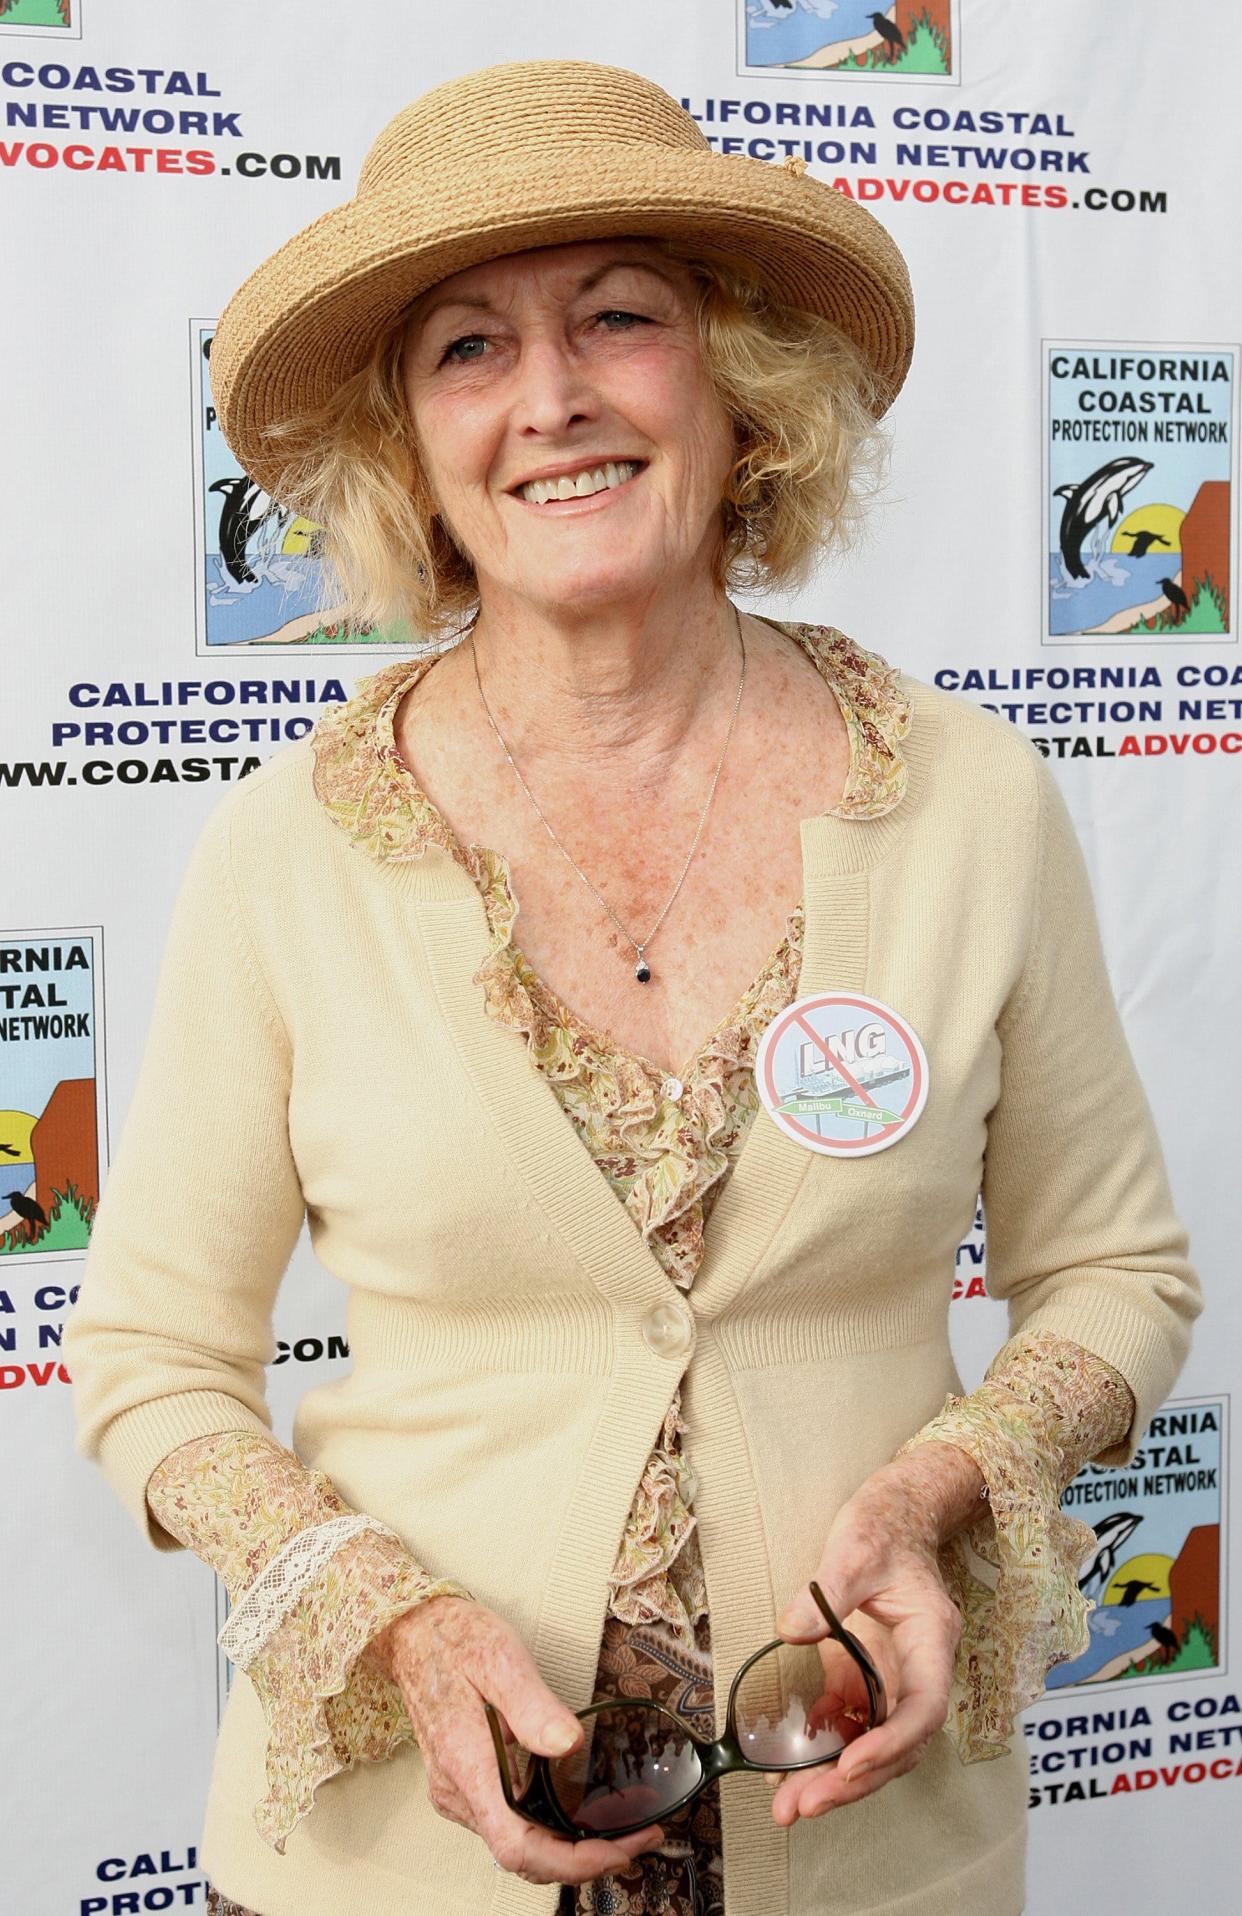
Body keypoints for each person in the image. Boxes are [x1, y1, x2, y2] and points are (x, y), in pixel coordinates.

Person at [63, 58, 1200, 1916]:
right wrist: (394, 1620)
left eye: (619, 320)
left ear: (738, 388)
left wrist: (937, 1499)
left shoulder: (972, 800)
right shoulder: (290, 850)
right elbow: (147, 1363)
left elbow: (1115, 1275)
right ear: (406, 447)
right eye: (466, 351)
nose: (554, 401)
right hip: (396, 1864)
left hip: (869, 1844)